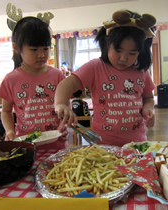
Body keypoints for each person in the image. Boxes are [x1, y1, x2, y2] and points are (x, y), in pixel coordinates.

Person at [55, 10, 157, 147]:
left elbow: (148, 98)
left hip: (136, 144)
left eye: (132, 53)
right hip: (103, 146)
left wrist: (148, 109)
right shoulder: (95, 67)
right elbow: (65, 85)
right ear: (107, 44)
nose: (124, 58)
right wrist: (61, 104)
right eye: (118, 51)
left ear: (141, 52)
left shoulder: (141, 71)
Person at [0, 8, 68, 149]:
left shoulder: (58, 76)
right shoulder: (10, 80)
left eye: (46, 48)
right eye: (34, 50)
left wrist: (63, 124)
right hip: (26, 145)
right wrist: (10, 130)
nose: (42, 54)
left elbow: (65, 106)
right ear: (16, 48)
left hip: (56, 143)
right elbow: (5, 111)